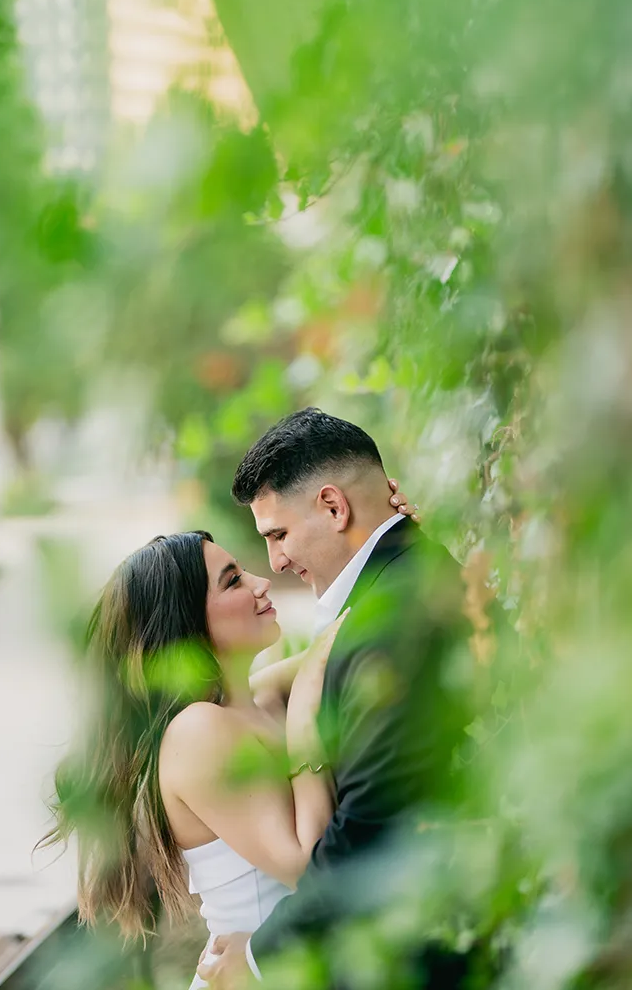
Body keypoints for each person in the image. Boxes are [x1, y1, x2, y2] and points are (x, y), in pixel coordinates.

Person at [42, 476, 412, 989]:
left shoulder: (259, 697)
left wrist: (398, 531)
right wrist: (305, 724)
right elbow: (306, 867)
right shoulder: (195, 732)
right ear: (187, 624)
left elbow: (360, 631)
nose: (262, 582)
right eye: (234, 581)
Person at [198, 408, 474, 990]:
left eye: (277, 535)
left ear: (332, 506)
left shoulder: (391, 618)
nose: (275, 563)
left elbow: (372, 823)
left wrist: (259, 958)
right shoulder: (399, 581)